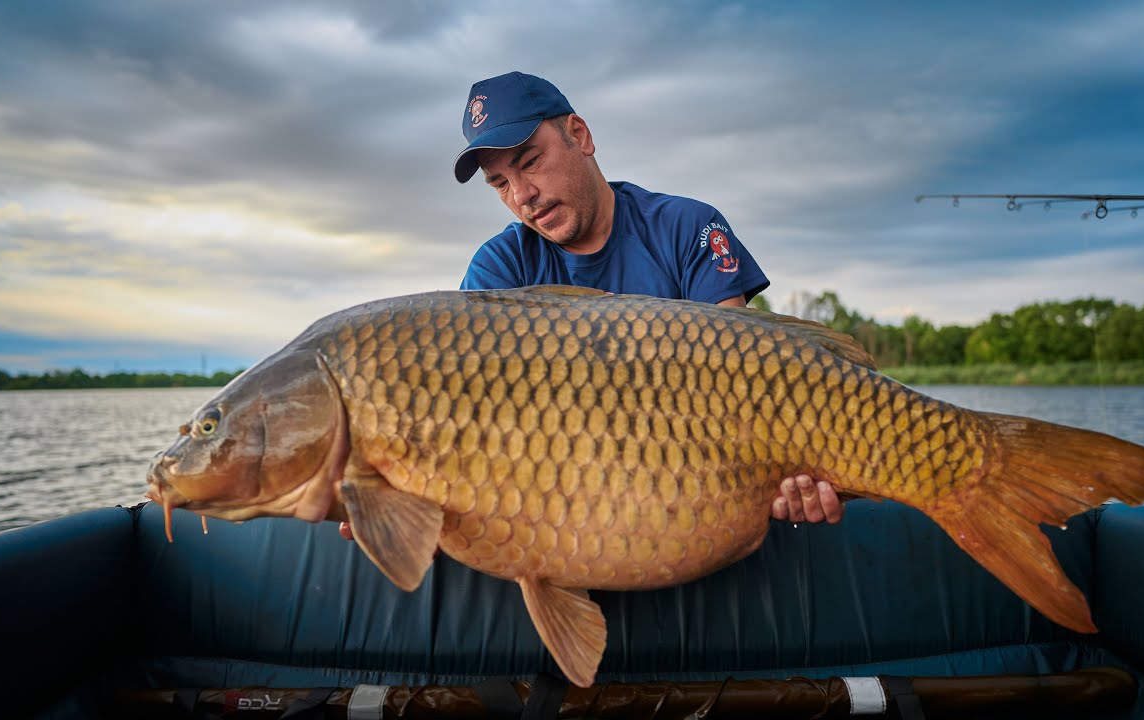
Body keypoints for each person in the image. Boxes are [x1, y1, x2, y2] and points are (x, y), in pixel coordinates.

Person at [339, 72, 843, 542]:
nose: (523, 196)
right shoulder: (499, 270)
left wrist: (793, 476)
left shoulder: (687, 228)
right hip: (573, 515)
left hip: (698, 490)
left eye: (530, 162)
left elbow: (751, 384)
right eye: (499, 184)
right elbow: (486, 434)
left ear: (579, 135)